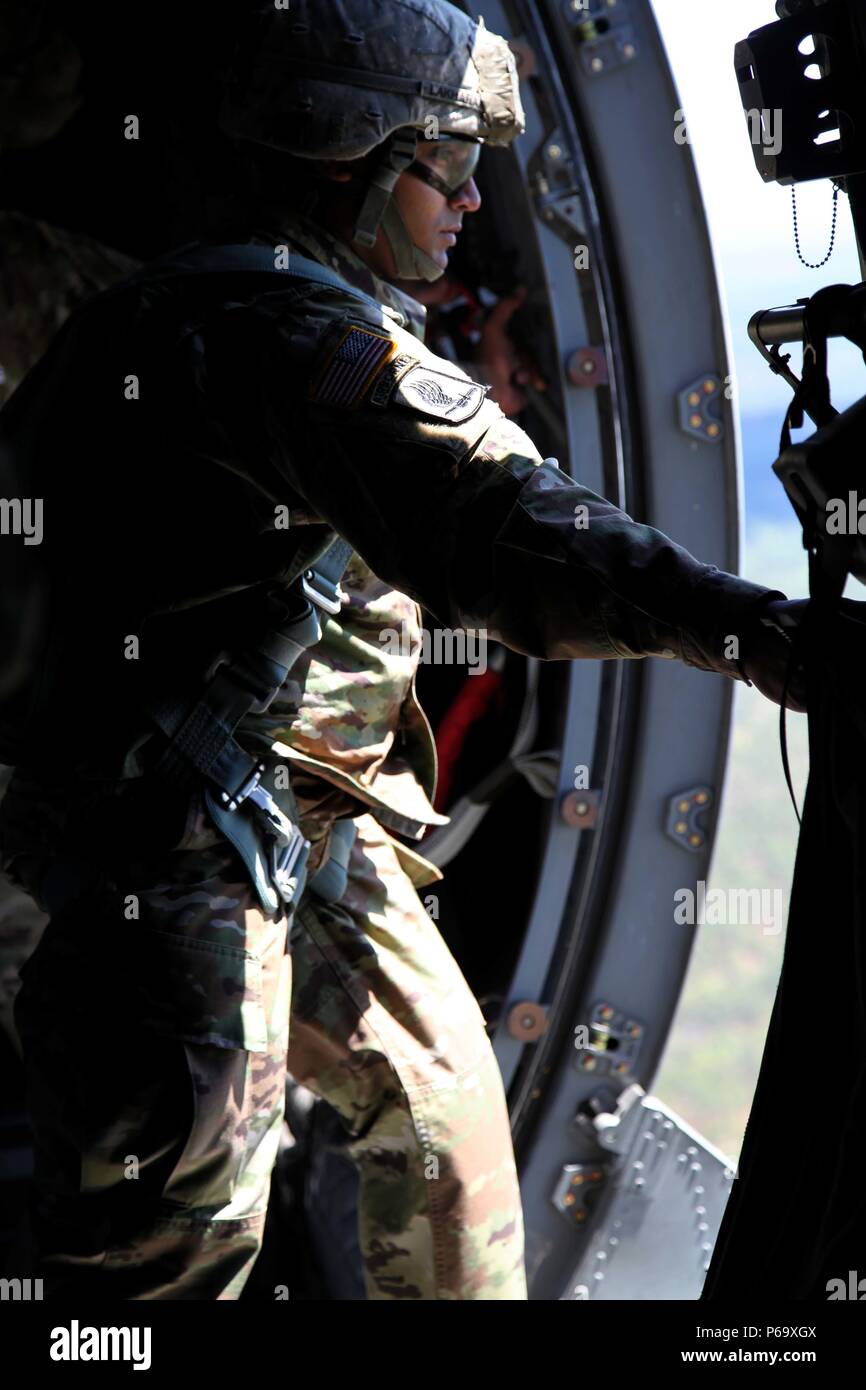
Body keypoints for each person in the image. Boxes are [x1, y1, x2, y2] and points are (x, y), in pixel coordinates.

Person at [0, 0, 804, 1301]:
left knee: (436, 1134)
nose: (472, 202)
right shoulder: (294, 340)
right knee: (157, 1266)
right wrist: (766, 631)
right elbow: (510, 534)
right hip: (178, 863)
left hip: (254, 813)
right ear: (345, 158)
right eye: (442, 165)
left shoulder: (172, 317)